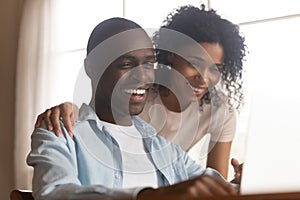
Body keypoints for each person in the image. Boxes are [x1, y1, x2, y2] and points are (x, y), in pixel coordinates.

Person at [27, 17, 238, 200]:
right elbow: (54, 193)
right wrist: (148, 196)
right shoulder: (60, 132)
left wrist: (247, 181)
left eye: (148, 64)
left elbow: (221, 190)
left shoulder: (163, 148)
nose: (143, 76)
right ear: (92, 67)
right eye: (127, 64)